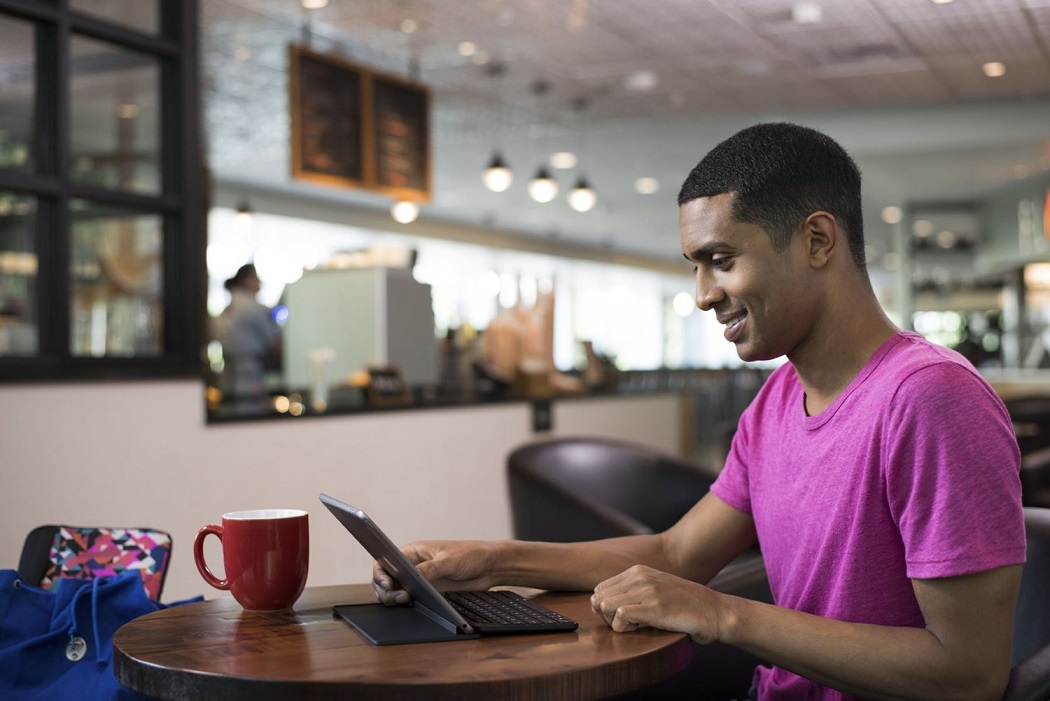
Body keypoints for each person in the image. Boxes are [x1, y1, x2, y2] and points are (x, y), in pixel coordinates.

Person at [372, 123, 1025, 700]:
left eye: (722, 260)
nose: (704, 294)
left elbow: (966, 673)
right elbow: (677, 552)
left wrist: (725, 615)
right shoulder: (774, 402)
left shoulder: (930, 398)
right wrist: (489, 561)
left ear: (818, 241)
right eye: (695, 266)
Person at [212, 263, 281, 408]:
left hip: (229, 370)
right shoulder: (250, 306)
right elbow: (273, 342)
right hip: (248, 370)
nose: (260, 282)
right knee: (248, 412)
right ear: (245, 280)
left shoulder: (231, 305)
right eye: (256, 278)